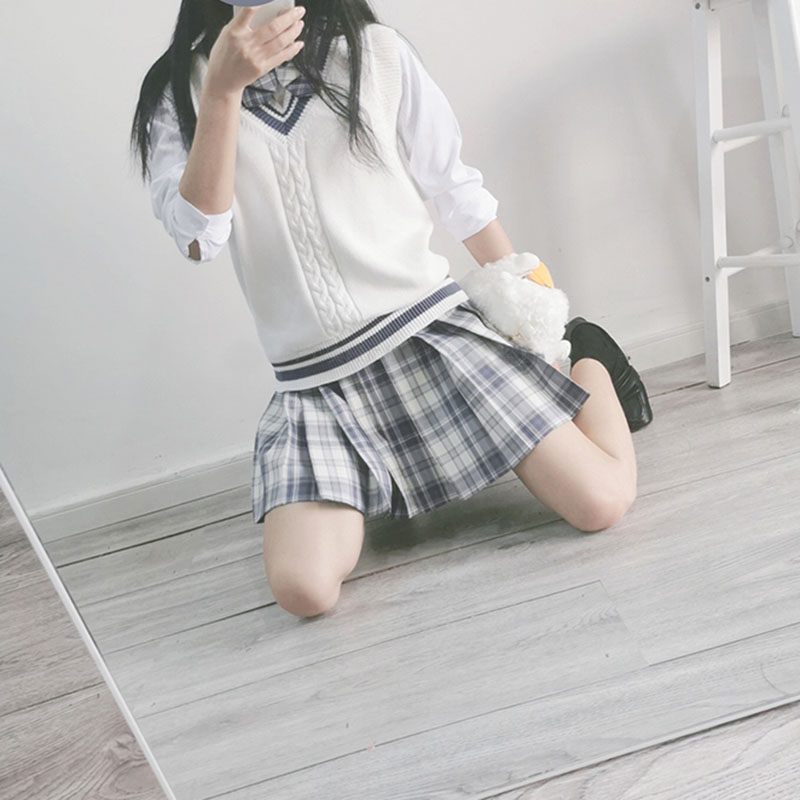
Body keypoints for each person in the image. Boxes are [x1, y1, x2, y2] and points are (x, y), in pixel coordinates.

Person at [130, 0, 652, 619]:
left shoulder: (374, 52)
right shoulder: (178, 90)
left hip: (432, 337)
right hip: (318, 387)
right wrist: (221, 91)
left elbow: (455, 190)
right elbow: (200, 239)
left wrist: (541, 318)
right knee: (304, 590)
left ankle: (588, 360)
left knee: (601, 502)